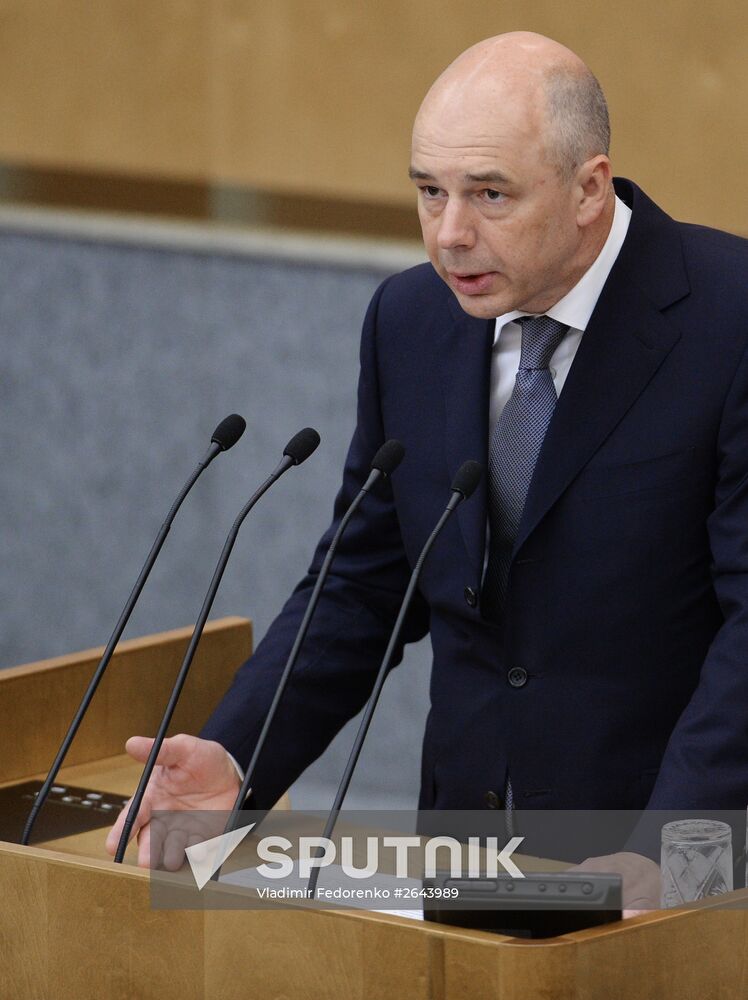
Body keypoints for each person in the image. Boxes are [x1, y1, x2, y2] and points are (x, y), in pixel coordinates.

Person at [106, 32, 748, 915]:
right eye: (429, 192)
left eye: (490, 194)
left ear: (589, 188)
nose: (451, 234)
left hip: (674, 860)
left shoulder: (728, 319)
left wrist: (678, 849)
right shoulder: (409, 321)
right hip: (467, 857)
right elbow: (362, 587)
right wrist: (240, 757)